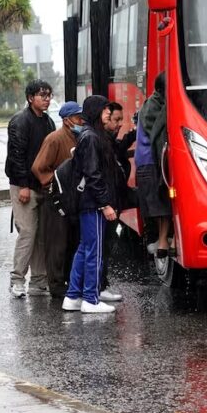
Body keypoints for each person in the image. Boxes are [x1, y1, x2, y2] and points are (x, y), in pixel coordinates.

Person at [62, 95, 120, 313]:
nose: (108, 114)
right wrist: (105, 204)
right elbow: (93, 175)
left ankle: (73, 296)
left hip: (87, 202)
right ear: (97, 111)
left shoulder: (88, 135)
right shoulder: (92, 137)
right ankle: (91, 299)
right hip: (93, 203)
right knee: (94, 251)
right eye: (106, 110)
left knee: (84, 248)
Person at [5, 79, 55, 298]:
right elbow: (16, 157)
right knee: (27, 233)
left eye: (48, 95)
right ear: (30, 98)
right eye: (42, 95)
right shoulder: (19, 122)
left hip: (43, 186)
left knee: (42, 235)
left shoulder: (49, 122)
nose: (46, 99)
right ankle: (17, 280)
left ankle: (38, 281)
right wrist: (23, 185)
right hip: (23, 186)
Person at [31, 101, 83, 298]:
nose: (81, 121)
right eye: (78, 117)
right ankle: (56, 285)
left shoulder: (79, 137)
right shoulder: (54, 139)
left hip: (73, 197)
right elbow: (38, 167)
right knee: (56, 244)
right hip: (55, 197)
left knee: (72, 241)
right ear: (67, 120)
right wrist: (55, 180)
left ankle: (70, 280)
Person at [98, 101, 136, 302]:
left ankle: (101, 285)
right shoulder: (100, 141)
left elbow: (121, 148)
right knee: (103, 244)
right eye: (116, 120)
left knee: (107, 243)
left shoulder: (110, 140)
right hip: (108, 202)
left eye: (122, 120)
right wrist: (107, 204)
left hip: (115, 200)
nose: (119, 124)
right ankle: (99, 286)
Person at [134, 72, 172, 258]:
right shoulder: (153, 107)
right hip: (150, 162)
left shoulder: (156, 103)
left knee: (160, 202)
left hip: (150, 162)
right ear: (160, 90)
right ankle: (162, 241)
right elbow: (158, 133)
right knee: (160, 202)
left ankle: (162, 241)